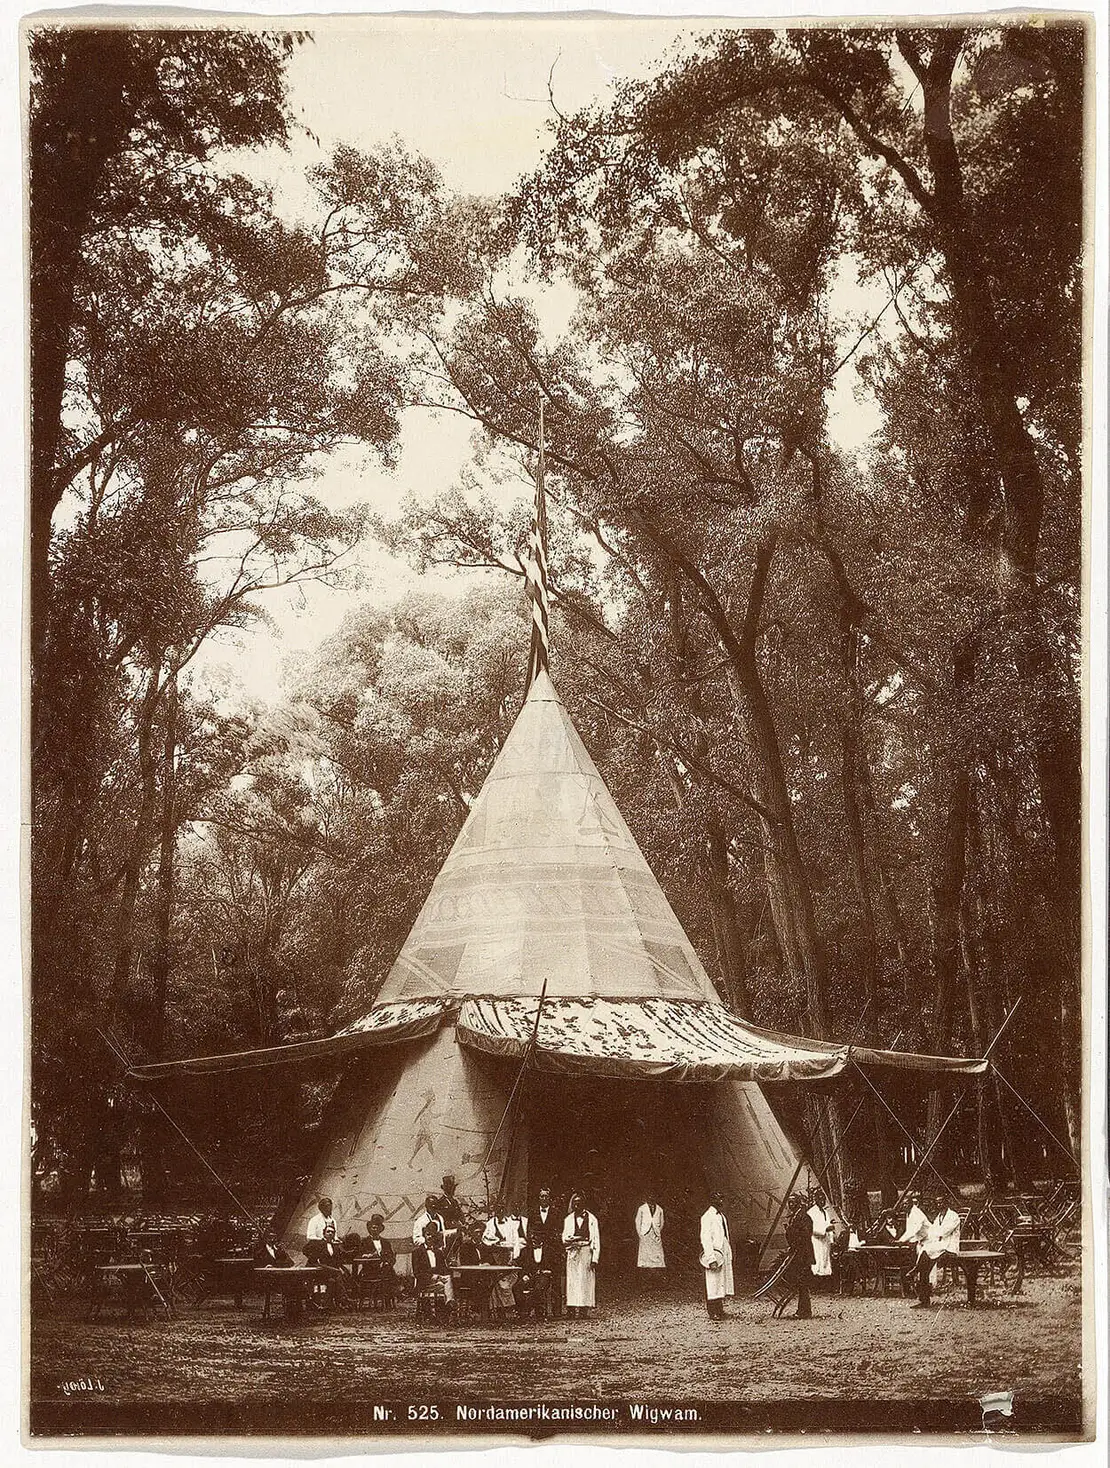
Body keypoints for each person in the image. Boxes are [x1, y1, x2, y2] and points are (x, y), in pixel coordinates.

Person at [909, 1194, 962, 1306]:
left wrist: (935, 1233)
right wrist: (934, 1233)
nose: (939, 1205)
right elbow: (932, 1231)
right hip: (940, 1247)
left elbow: (944, 1232)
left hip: (950, 1247)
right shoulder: (939, 1217)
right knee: (925, 1266)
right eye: (937, 1203)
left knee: (926, 1253)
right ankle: (924, 1299)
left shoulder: (953, 1216)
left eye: (941, 1202)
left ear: (946, 1203)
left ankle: (916, 1269)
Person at [522, 1186, 563, 1319]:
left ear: (549, 1198)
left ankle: (556, 1311)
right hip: (537, 1249)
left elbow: (559, 1231)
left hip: (552, 1252)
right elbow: (530, 1232)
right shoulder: (533, 1213)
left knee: (555, 1282)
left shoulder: (556, 1213)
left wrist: (553, 1243)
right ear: (539, 1198)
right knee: (537, 1280)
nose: (544, 1198)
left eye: (546, 1196)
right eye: (542, 1196)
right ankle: (539, 1310)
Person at [304, 1196, 349, 1308]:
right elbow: (310, 1237)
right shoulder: (314, 1220)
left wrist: (336, 1240)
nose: (329, 1210)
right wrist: (323, 1241)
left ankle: (340, 1298)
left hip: (330, 1252)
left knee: (343, 1271)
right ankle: (341, 1298)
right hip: (319, 1252)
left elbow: (335, 1235)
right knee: (336, 1273)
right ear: (321, 1208)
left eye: (330, 1207)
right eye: (326, 1208)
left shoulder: (332, 1220)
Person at [562, 1192, 600, 1318]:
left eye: (579, 1202)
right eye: (575, 1203)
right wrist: (571, 1241)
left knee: (585, 1280)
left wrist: (595, 1258)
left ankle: (584, 1310)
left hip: (586, 1251)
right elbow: (564, 1238)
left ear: (584, 1204)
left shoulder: (592, 1219)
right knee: (572, 1281)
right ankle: (572, 1309)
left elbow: (596, 1239)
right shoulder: (568, 1219)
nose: (577, 1205)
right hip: (573, 1251)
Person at [699, 1190, 734, 1321]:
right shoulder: (707, 1217)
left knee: (721, 1283)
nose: (721, 1201)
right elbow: (705, 1239)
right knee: (713, 1283)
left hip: (722, 1252)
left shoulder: (721, 1216)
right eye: (718, 1199)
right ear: (712, 1200)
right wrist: (711, 1258)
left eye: (722, 1199)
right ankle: (712, 1311)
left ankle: (719, 1309)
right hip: (714, 1253)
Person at [412, 1220, 455, 1321]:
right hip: (425, 1283)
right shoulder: (417, 1252)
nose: (430, 1237)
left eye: (432, 1235)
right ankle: (449, 1304)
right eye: (428, 1235)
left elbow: (444, 1269)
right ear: (424, 1235)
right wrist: (434, 1277)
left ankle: (446, 1308)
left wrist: (448, 1268)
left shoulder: (438, 1252)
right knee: (443, 1285)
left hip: (439, 1281)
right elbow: (417, 1273)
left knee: (447, 1279)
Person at [784, 1193, 815, 1319]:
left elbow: (806, 1234)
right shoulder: (795, 1216)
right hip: (798, 1253)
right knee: (801, 1283)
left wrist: (791, 1231)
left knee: (803, 1283)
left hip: (803, 1254)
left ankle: (804, 1311)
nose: (791, 1205)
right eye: (789, 1203)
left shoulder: (803, 1217)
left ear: (798, 1203)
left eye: (793, 1202)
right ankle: (803, 1310)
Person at [359, 1214, 400, 1306]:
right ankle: (397, 1295)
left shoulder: (385, 1242)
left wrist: (386, 1262)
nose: (375, 1230)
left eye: (377, 1228)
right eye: (373, 1227)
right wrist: (367, 1256)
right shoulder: (364, 1242)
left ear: (380, 1229)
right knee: (389, 1273)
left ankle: (389, 1299)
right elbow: (360, 1255)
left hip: (384, 1269)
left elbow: (391, 1257)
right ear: (369, 1228)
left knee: (388, 1271)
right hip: (369, 1270)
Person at [807, 1188, 835, 1280]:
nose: (822, 1201)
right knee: (817, 1261)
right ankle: (816, 1282)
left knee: (825, 1260)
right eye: (820, 1199)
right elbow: (811, 1228)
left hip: (825, 1241)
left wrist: (831, 1237)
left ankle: (824, 1281)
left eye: (824, 1199)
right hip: (816, 1241)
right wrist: (825, 1229)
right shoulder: (811, 1212)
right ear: (816, 1200)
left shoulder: (825, 1212)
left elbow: (827, 1223)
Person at [635, 1195, 666, 1277]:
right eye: (650, 1197)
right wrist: (640, 1234)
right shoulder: (642, 1208)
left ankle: (656, 1274)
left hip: (655, 1234)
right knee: (645, 1255)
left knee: (656, 1254)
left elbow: (662, 1222)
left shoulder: (659, 1209)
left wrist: (657, 1231)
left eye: (653, 1197)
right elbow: (638, 1221)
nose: (652, 1199)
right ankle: (645, 1274)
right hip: (645, 1233)